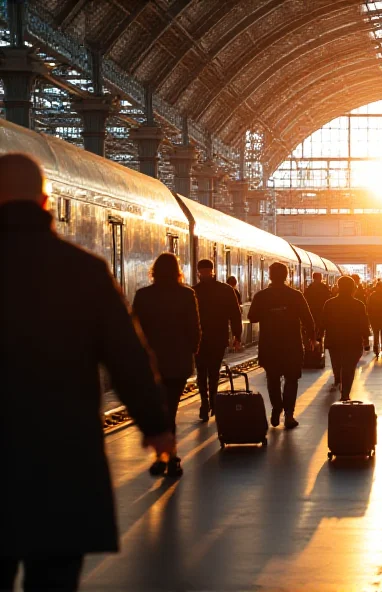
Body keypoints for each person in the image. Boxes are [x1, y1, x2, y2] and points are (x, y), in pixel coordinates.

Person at [0, 153, 173, 591]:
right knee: (55, 577)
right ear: (45, 201)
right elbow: (128, 358)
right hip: (62, 459)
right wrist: (156, 428)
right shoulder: (84, 271)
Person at [133, 253, 201, 478]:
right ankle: (170, 459)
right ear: (177, 271)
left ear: (154, 271)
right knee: (170, 410)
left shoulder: (142, 296)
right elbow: (194, 328)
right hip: (178, 362)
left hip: (150, 363)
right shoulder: (186, 294)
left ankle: (163, 458)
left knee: (159, 410)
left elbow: (134, 330)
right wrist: (192, 349)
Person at [248, 262, 315, 429]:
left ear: (269, 276)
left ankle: (276, 408)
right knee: (292, 380)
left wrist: (268, 312)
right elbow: (307, 318)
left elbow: (252, 317)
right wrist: (312, 337)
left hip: (269, 345)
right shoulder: (295, 295)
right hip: (292, 345)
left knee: (273, 379)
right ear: (287, 276)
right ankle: (289, 415)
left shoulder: (261, 296)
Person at [194, 259, 243, 422]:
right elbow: (235, 314)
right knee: (214, 372)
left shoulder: (194, 292)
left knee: (201, 371)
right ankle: (213, 402)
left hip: (199, 338)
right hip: (218, 337)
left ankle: (204, 403)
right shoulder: (226, 290)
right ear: (213, 270)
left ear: (198, 272)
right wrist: (237, 336)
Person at [321, 276, 370, 400]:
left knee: (337, 363)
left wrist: (318, 336)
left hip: (334, 340)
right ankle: (345, 393)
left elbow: (324, 322)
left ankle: (338, 378)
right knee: (349, 368)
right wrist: (365, 339)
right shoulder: (358, 305)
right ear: (353, 288)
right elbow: (363, 323)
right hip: (352, 341)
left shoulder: (329, 303)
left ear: (338, 287)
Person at [304, 272, 331, 341]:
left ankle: (313, 340)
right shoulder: (324, 287)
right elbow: (328, 298)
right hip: (321, 310)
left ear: (313, 278)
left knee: (313, 325)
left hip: (312, 310)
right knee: (320, 326)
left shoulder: (310, 287)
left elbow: (306, 298)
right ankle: (319, 340)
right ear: (320, 278)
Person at [367, 280, 382, 357]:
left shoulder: (372, 296)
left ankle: (376, 349)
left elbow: (368, 308)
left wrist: (370, 317)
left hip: (375, 318)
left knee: (376, 334)